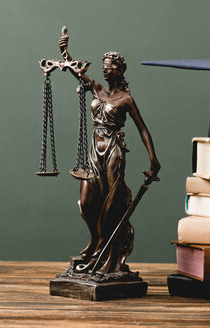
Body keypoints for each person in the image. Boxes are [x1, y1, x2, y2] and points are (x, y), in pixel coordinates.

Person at [59, 32, 160, 275]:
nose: (105, 71)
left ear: (120, 70)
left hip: (114, 150)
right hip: (95, 149)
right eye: (103, 68)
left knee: (111, 205)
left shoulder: (126, 99)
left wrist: (153, 159)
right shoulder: (96, 90)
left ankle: (110, 255)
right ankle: (97, 240)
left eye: (109, 68)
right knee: (86, 202)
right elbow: (77, 71)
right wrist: (65, 53)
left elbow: (143, 129)